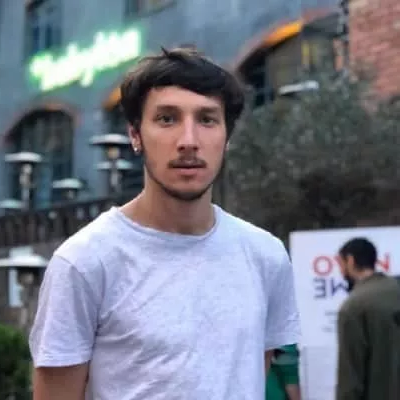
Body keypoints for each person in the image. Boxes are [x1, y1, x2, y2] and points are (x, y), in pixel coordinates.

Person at [29, 47, 301, 400]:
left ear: (227, 138)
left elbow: (249, 380)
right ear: (135, 135)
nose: (188, 141)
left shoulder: (266, 256)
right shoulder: (84, 263)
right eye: (167, 119)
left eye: (207, 120)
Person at [336, 237, 400, 400]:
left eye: (341, 265)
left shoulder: (354, 306)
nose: (341, 271)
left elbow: (350, 377)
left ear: (350, 261)